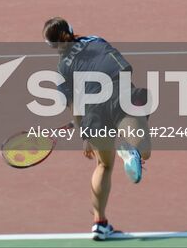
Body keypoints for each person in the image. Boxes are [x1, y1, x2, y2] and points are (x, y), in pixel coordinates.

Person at [44, 17, 151, 241]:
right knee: (143, 144)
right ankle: (130, 149)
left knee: (103, 164)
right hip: (118, 92)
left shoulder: (61, 70)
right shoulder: (95, 40)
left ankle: (99, 223)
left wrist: (84, 133)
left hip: (92, 112)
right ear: (71, 31)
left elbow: (75, 104)